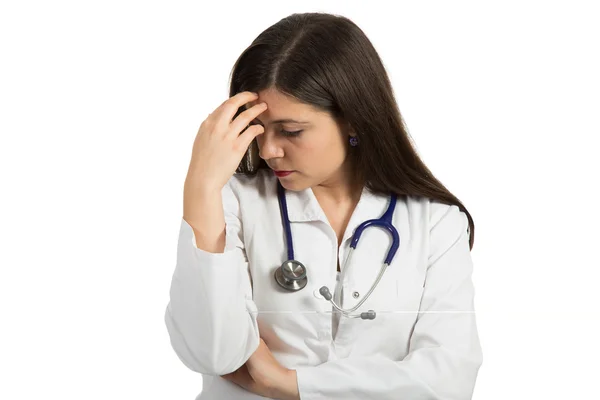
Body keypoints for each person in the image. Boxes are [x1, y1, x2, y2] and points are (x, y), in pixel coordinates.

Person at [164, 11, 483, 400]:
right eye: (260, 130)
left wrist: (288, 384)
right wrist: (199, 186)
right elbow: (212, 353)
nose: (269, 150)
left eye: (291, 131)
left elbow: (449, 381)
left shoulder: (435, 222)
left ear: (353, 120)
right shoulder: (231, 201)